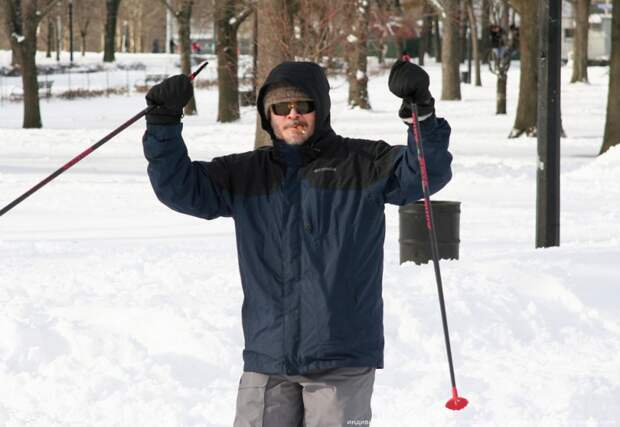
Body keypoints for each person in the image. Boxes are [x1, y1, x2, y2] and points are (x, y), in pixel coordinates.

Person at [142, 60, 452, 427]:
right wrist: (163, 122)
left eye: (303, 105)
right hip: (268, 356)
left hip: (341, 357)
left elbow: (425, 174)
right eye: (280, 107)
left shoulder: (364, 163)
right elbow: (179, 188)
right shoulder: (245, 175)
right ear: (267, 116)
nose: (293, 115)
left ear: (320, 109)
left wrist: (422, 112)